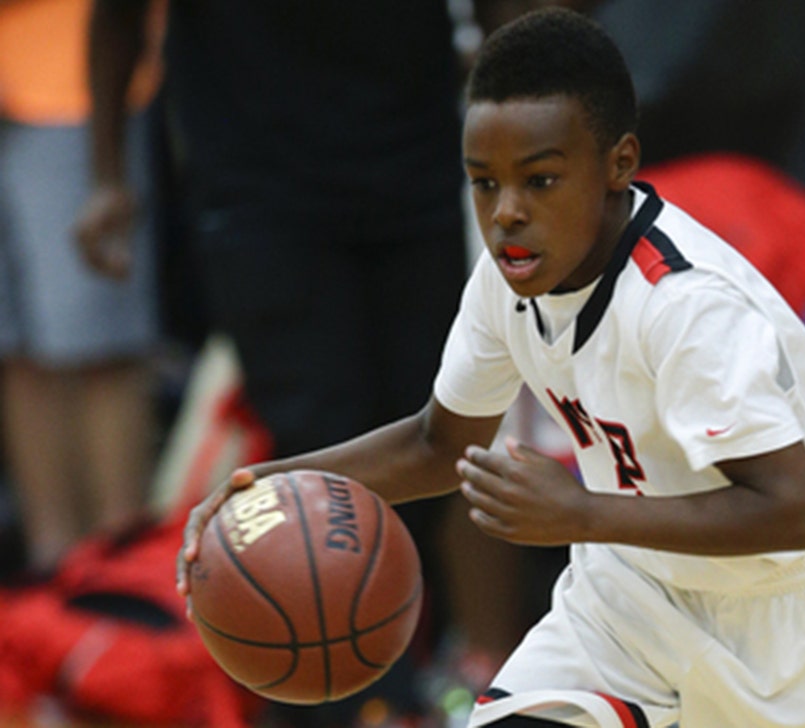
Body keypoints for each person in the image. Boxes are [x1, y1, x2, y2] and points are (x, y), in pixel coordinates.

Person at [177, 8, 805, 727]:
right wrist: (267, 487)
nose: (505, 213)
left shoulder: (685, 308)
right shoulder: (510, 278)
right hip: (634, 594)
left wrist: (581, 513)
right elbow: (437, 444)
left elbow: (794, 510)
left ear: (617, 166)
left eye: (539, 181)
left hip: (798, 615)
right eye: (483, 181)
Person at [76, 1, 577, 725]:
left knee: (458, 432)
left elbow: (512, 16)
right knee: (320, 433)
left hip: (416, 167)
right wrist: (107, 175)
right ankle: (359, 698)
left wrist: (547, 125)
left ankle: (484, 677)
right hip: (257, 189)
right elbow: (116, 17)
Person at [0, 0, 161, 577]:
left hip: (68, 80)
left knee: (95, 341)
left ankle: (121, 577)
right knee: (16, 351)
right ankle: (54, 581)